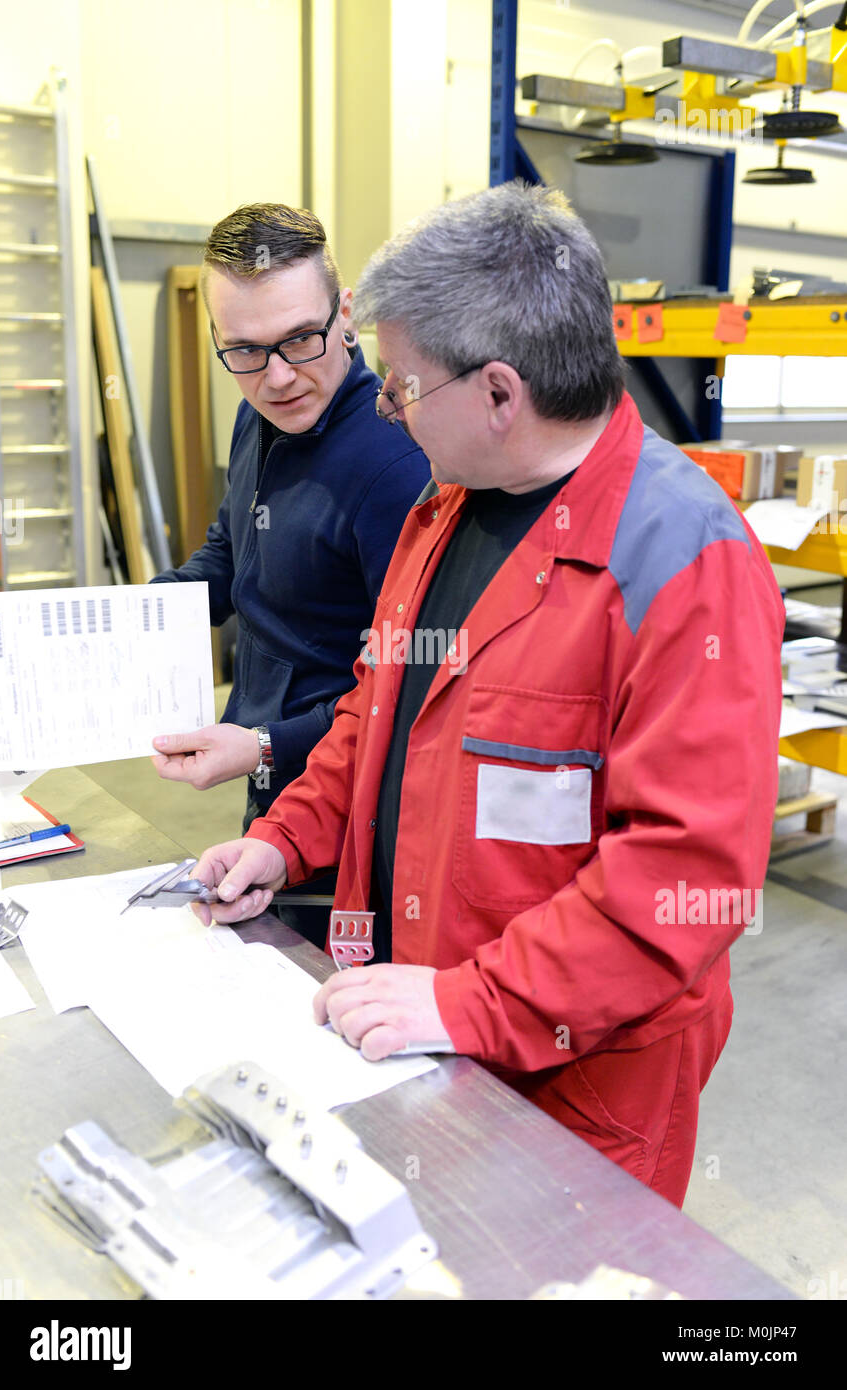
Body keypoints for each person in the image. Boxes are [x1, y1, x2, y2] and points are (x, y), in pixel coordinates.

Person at [189, 182, 784, 1207]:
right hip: (420, 1016)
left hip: (577, 1078)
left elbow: (681, 879)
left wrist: (470, 1002)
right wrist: (285, 838)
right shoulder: (445, 505)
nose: (384, 407)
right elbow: (375, 714)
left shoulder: (684, 563)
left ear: (500, 393)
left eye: (403, 386)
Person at [149, 203, 430, 944]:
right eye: (244, 350)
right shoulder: (262, 415)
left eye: (300, 339)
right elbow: (231, 553)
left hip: (355, 813)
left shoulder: (398, 465)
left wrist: (267, 744)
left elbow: (408, 687)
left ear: (346, 314)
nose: (277, 378)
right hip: (269, 789)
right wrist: (128, 620)